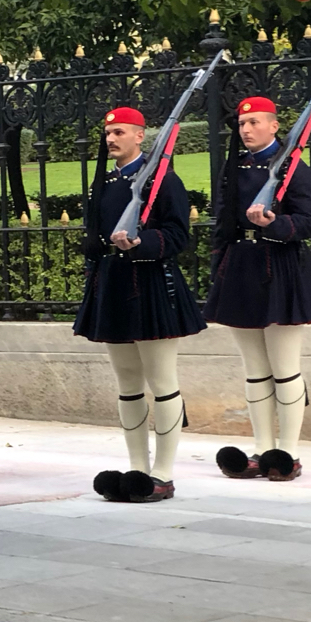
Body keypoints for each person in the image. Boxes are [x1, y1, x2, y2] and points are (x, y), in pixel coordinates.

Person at [73, 105, 206, 504]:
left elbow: (177, 235)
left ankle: (162, 473)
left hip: (150, 285)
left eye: (119, 132)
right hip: (113, 286)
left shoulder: (162, 180)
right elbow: (96, 235)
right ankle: (137, 468)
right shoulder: (106, 182)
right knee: (128, 386)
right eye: (108, 132)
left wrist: (141, 244)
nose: (111, 139)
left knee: (162, 383)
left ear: (139, 136)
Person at [205, 94, 311, 481]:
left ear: (274, 126)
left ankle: (287, 453)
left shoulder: (293, 167)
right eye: (242, 124)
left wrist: (273, 225)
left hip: (280, 267)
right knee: (255, 370)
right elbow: (223, 218)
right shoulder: (235, 165)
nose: (246, 130)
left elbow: (309, 221)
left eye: (255, 123)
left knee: (285, 368)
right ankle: (262, 449)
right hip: (242, 266)